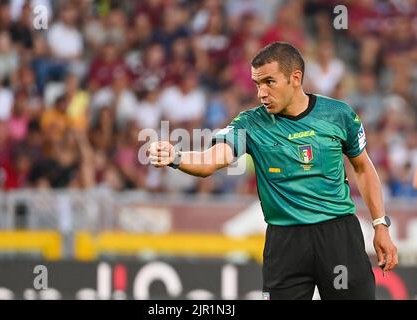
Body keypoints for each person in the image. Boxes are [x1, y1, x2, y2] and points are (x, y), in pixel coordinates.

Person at [148, 42, 398, 300]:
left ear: (295, 78)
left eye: (269, 82)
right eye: (257, 84)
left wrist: (380, 225)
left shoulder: (338, 114)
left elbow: (363, 168)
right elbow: (212, 160)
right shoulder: (250, 123)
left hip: (338, 236)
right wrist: (176, 157)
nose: (261, 93)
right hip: (285, 243)